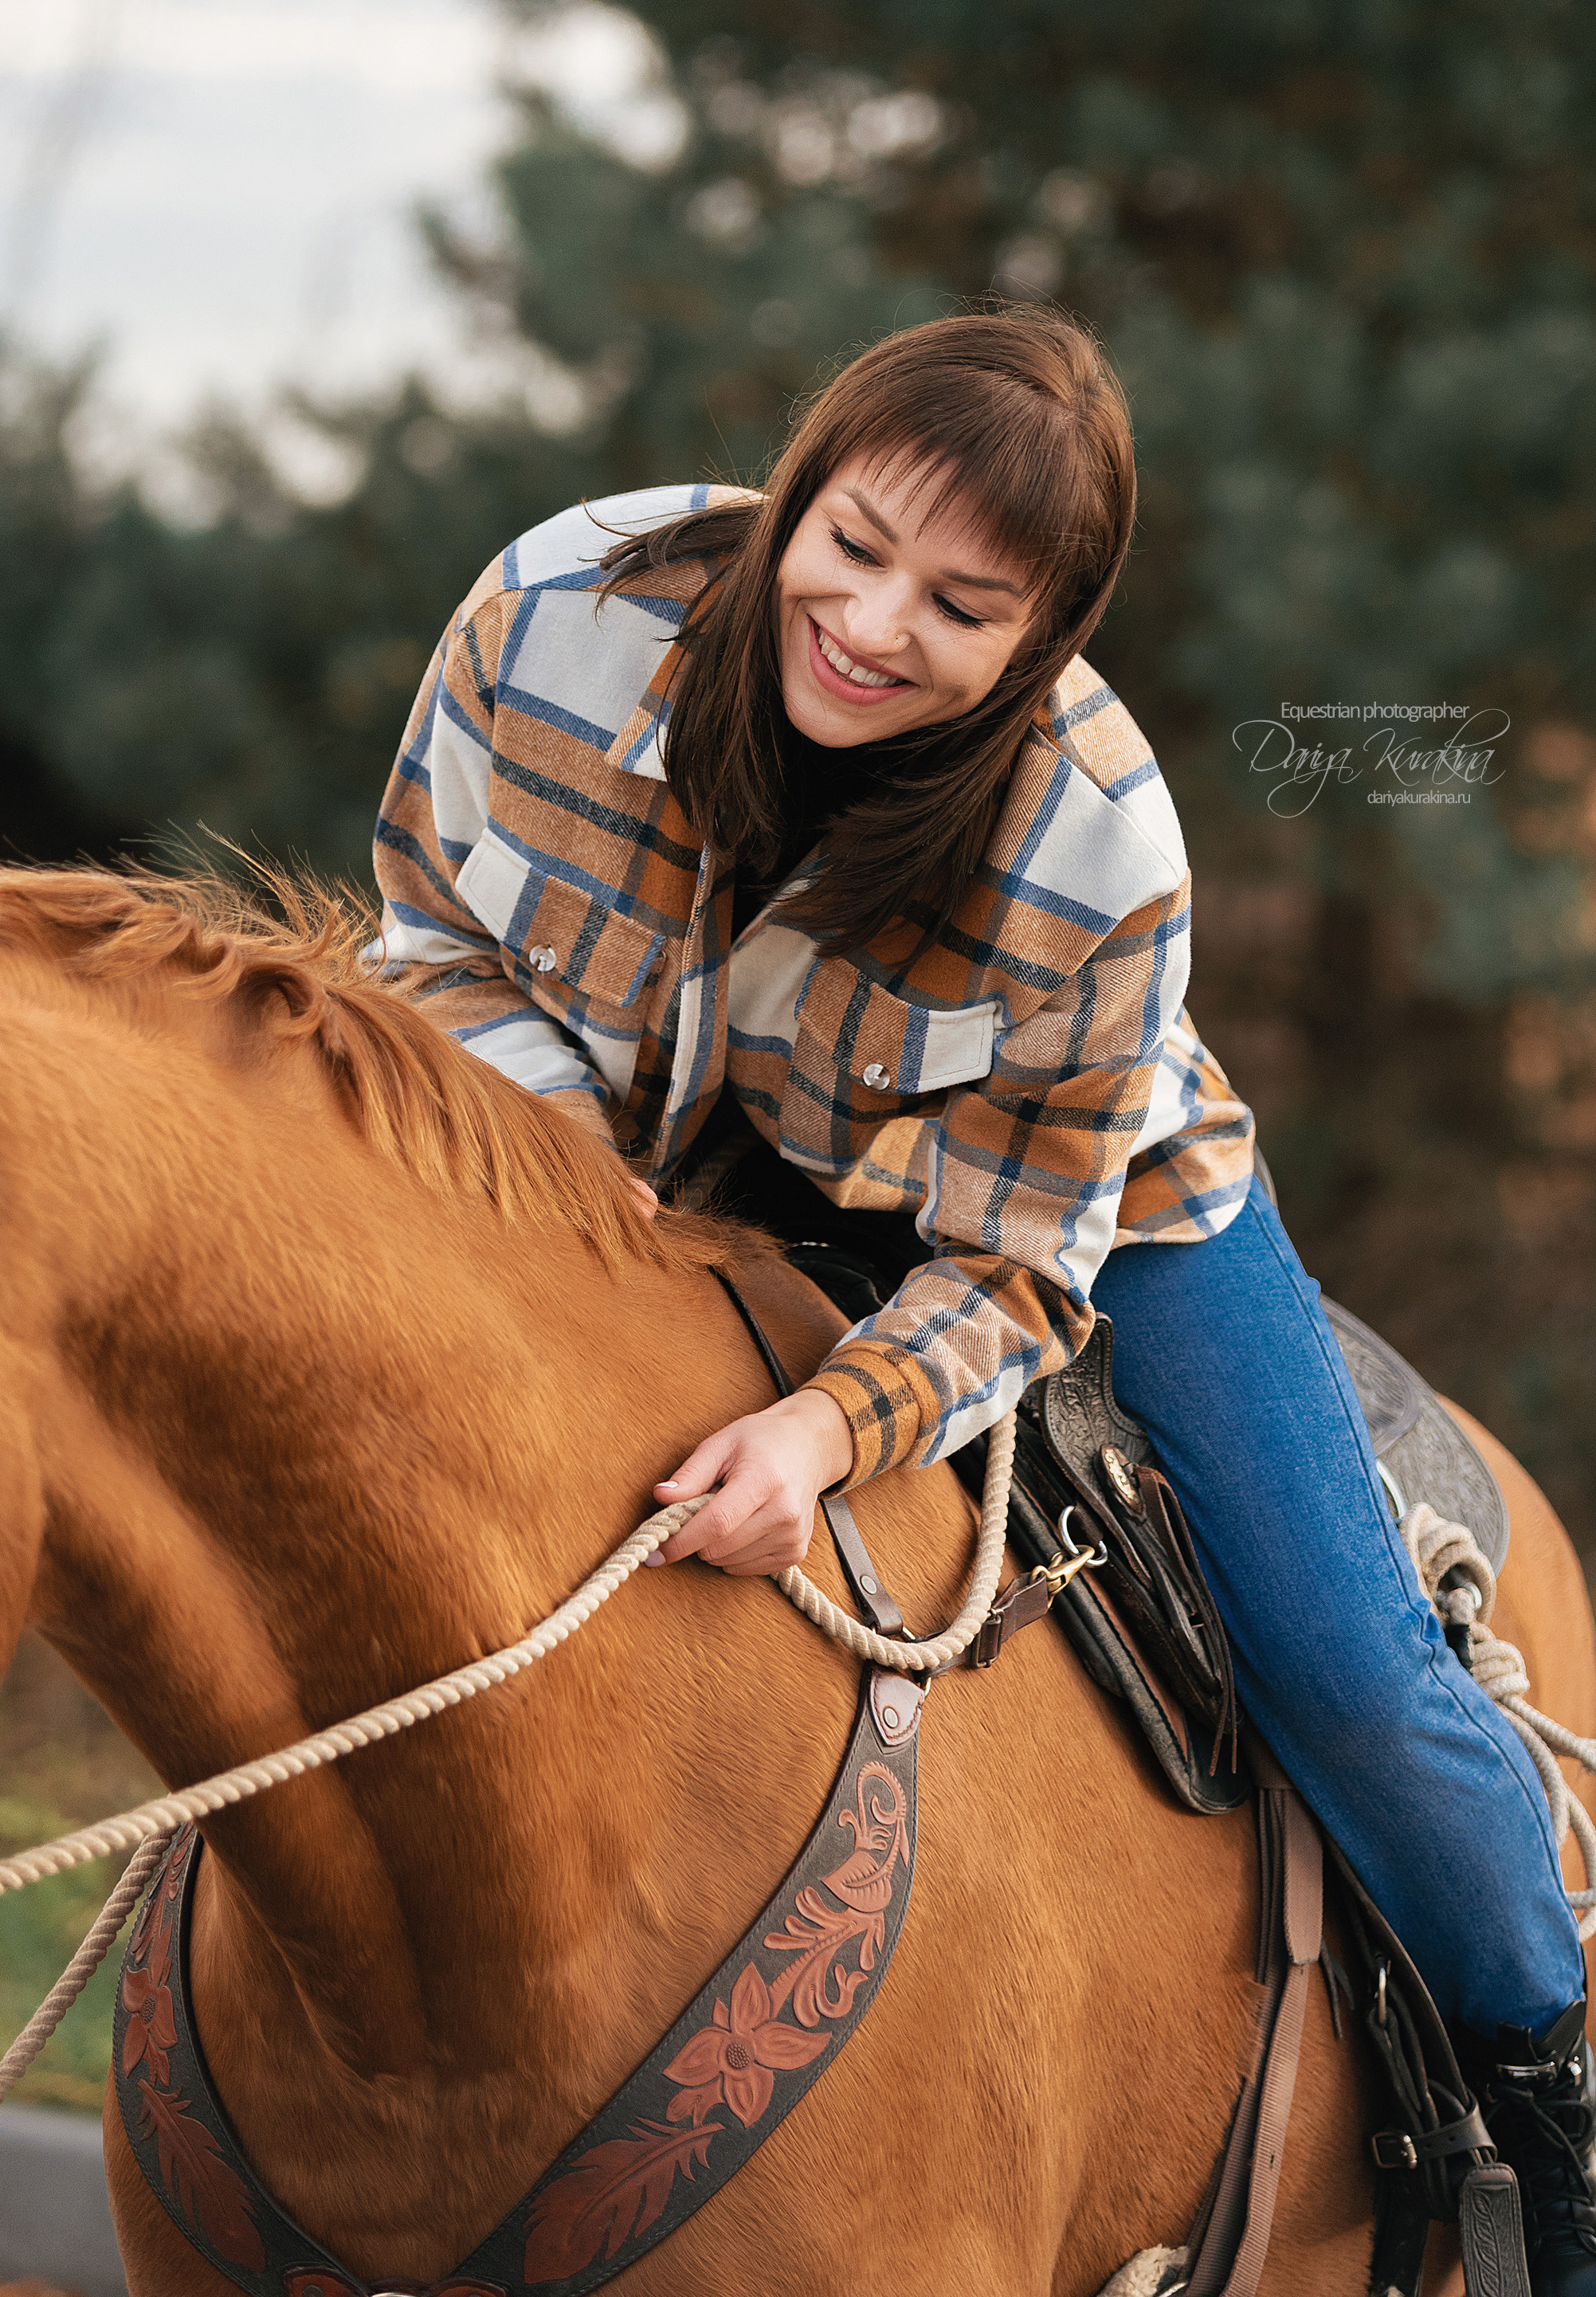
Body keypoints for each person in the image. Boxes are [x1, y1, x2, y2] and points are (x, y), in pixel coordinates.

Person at [374, 307, 1594, 2291]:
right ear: (798, 489)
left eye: (960, 602)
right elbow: (431, 927)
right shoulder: (554, 611)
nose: (870, 623)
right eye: (849, 544)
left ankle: (1551, 2106)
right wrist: (557, 1186)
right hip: (655, 1156)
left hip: (1075, 1210)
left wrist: (825, 1424)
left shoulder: (1096, 841)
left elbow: (1022, 1272)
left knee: (1351, 1669)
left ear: (1042, 634)